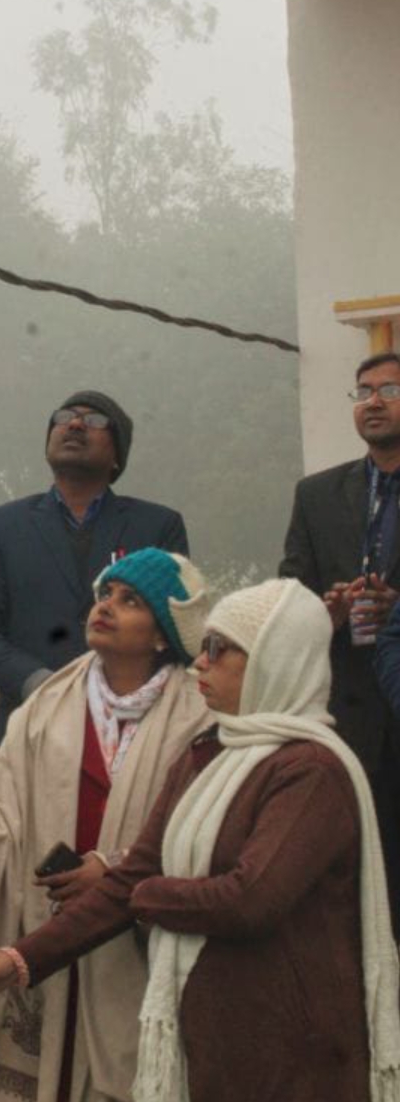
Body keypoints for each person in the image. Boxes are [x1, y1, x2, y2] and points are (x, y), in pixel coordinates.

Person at [0, 578, 400, 1102]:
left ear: (273, 661)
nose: (199, 665)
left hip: (293, 1053)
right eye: (202, 648)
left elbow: (248, 899)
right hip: (215, 1040)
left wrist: (148, 896)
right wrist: (19, 960)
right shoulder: (207, 754)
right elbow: (132, 873)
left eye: (219, 649)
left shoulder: (310, 772)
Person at [0, 548, 210, 1102]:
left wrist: (113, 873)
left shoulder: (199, 720)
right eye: (104, 595)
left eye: (130, 600)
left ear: (163, 634)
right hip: (46, 928)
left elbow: (201, 831)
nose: (107, 607)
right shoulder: (45, 706)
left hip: (137, 941)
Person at [0, 389, 190, 744]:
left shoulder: (157, 526)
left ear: (117, 457)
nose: (76, 424)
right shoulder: (4, 527)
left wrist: (116, 692)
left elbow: (177, 631)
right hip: (33, 730)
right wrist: (44, 686)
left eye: (95, 420)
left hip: (138, 729)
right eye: (64, 417)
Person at [280, 348, 400, 926]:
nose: (373, 401)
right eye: (363, 391)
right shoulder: (318, 494)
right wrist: (323, 614)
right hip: (344, 715)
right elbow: (289, 593)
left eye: (389, 389)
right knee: (349, 883)